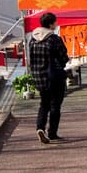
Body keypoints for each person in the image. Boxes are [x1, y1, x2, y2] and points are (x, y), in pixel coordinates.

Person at [28, 11, 69, 144]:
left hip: (39, 77)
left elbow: (31, 59)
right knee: (55, 105)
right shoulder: (54, 39)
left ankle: (40, 128)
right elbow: (64, 56)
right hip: (55, 76)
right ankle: (52, 133)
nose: (56, 24)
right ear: (51, 24)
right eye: (55, 22)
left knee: (44, 104)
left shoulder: (32, 39)